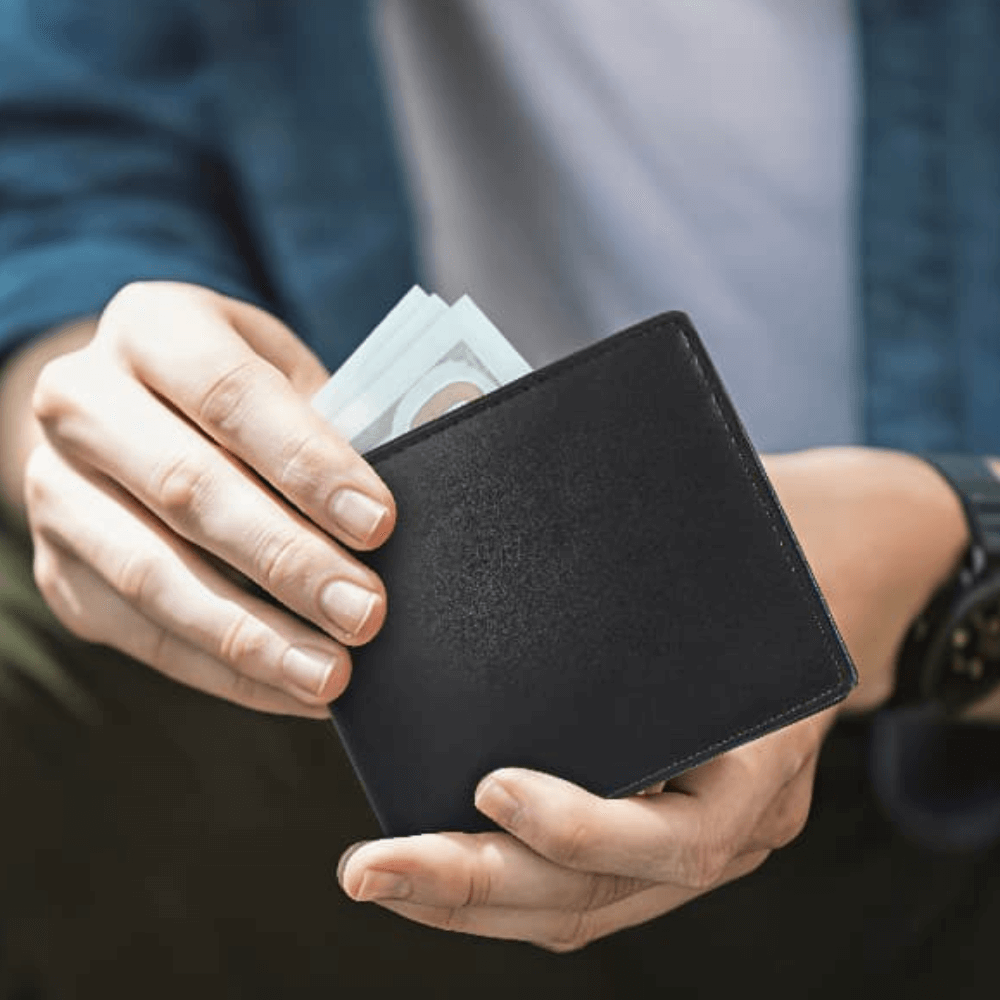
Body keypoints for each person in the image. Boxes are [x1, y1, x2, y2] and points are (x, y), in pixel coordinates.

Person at [0, 1, 997, 997]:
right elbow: (67, 175)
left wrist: (940, 550)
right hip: (378, 679)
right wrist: (101, 409)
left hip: (943, 731)